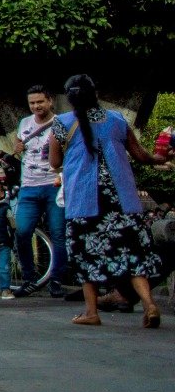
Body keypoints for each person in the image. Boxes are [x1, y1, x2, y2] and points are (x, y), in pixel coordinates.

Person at [49, 74, 166, 328]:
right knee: (133, 255)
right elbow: (140, 155)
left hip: (84, 201)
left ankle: (91, 312)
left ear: (70, 99)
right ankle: (150, 304)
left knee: (86, 256)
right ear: (95, 94)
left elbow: (54, 163)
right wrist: (159, 159)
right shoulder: (116, 120)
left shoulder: (61, 123)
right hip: (122, 200)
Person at [14, 84, 68, 298]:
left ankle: (56, 279)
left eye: (40, 102)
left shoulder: (61, 123)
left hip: (53, 184)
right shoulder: (24, 123)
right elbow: (19, 146)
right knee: (22, 231)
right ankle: (29, 278)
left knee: (58, 234)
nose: (36, 106)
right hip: (28, 185)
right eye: (32, 103)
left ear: (50, 101)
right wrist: (17, 148)